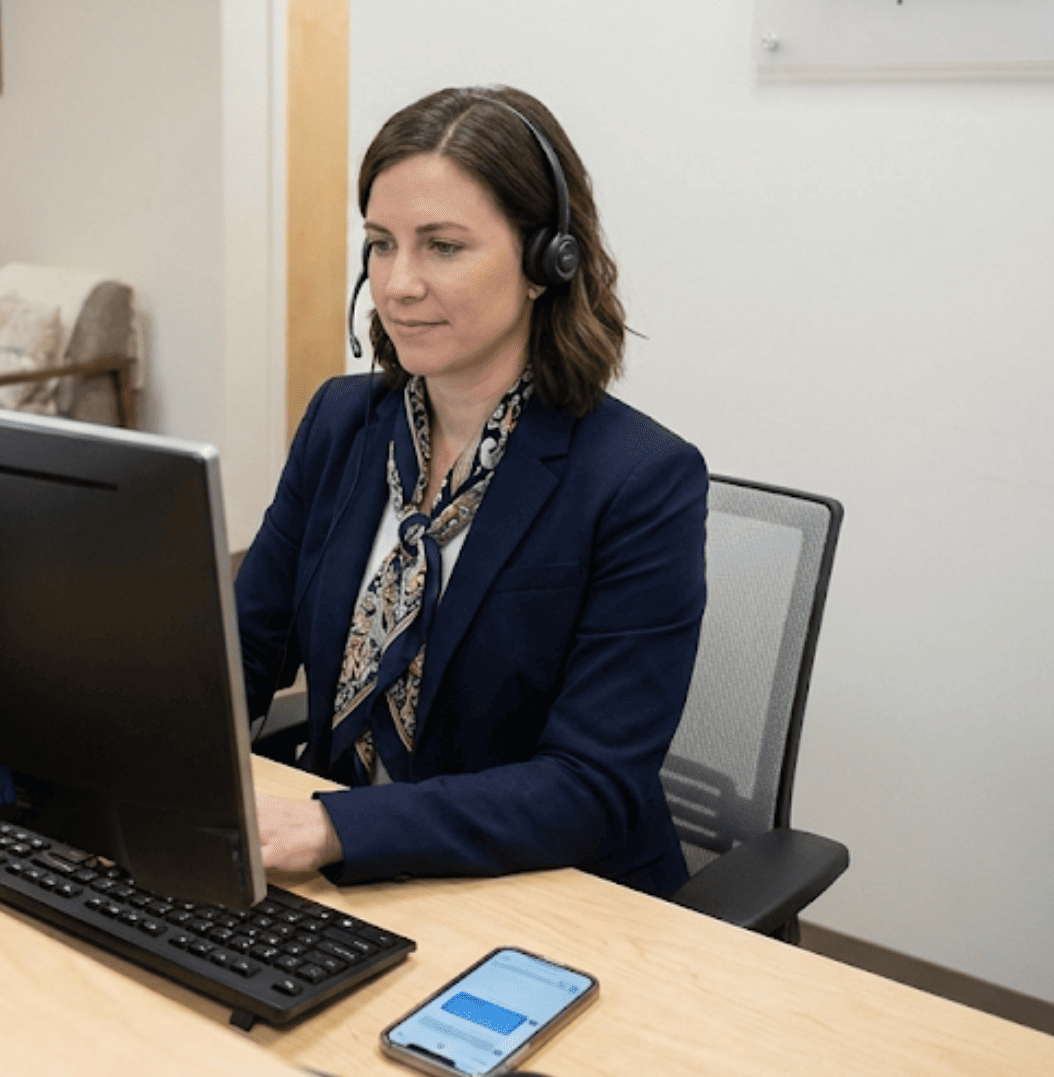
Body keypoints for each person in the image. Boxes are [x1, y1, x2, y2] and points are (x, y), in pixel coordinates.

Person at [234, 85, 707, 897]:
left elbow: (590, 783)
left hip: (536, 891)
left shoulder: (640, 479)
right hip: (335, 876)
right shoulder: (342, 422)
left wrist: (336, 827)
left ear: (544, 264)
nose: (398, 284)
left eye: (443, 247)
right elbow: (244, 646)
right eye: (381, 245)